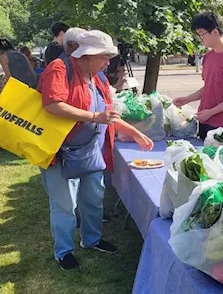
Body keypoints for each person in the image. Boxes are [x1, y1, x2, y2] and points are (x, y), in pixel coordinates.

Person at [38, 29, 154, 270]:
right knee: (65, 204)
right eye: (104, 56)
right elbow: (52, 104)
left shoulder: (99, 77)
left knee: (93, 198)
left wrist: (135, 133)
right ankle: (64, 251)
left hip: (91, 151)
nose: (108, 62)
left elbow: (108, 115)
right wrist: (93, 116)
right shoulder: (59, 69)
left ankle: (91, 240)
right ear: (88, 55)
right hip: (60, 152)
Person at [173, 12, 223, 140]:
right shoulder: (208, 57)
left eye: (202, 34)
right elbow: (209, 87)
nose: (201, 38)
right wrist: (187, 99)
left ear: (214, 32)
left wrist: (211, 112)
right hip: (204, 120)